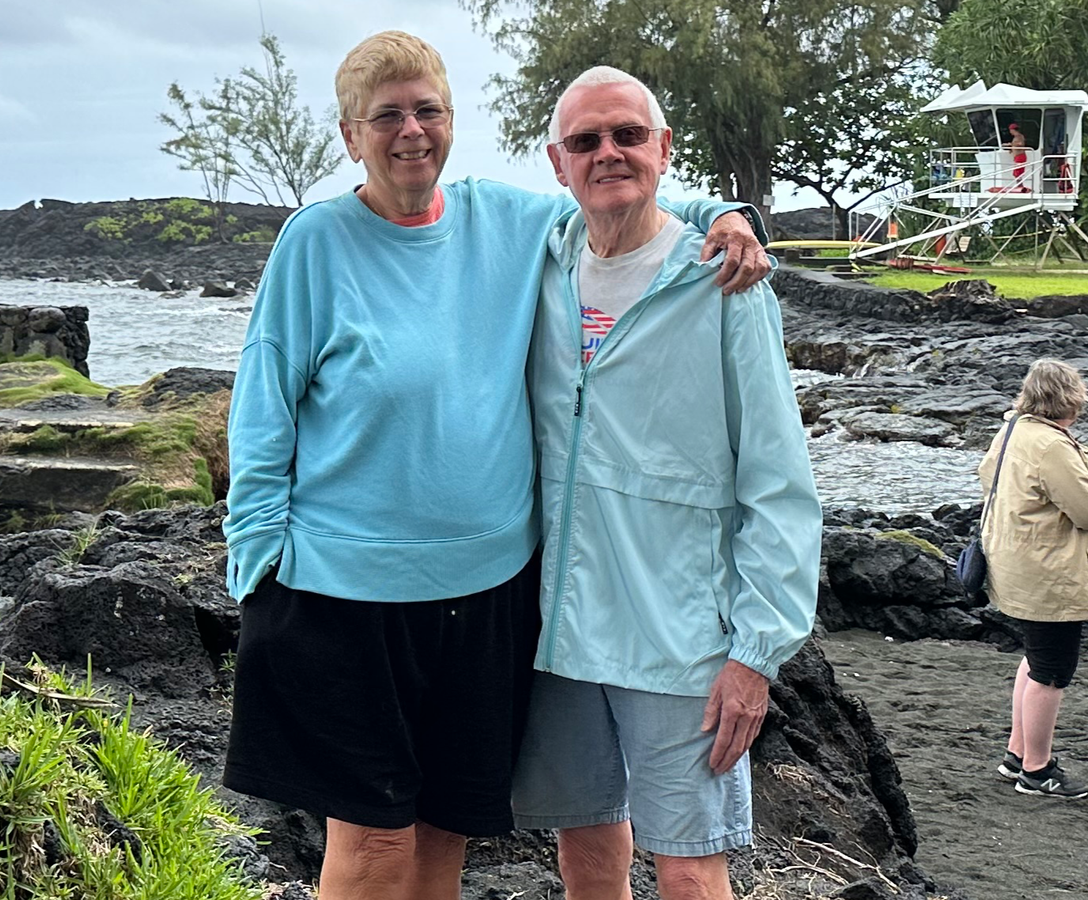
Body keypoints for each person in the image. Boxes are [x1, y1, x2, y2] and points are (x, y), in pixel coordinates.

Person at [220, 31, 770, 900]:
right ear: (351, 135)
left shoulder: (509, 222)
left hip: (486, 601)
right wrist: (257, 566)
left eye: (427, 111)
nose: (411, 131)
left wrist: (728, 216)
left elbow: (621, 188)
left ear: (450, 120)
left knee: (445, 835)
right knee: (372, 845)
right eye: (387, 116)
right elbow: (263, 408)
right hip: (341, 600)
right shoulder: (314, 243)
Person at [513, 67, 822, 900]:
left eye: (628, 135)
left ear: (664, 147)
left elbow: (779, 483)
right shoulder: (540, 260)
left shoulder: (723, 280)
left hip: (679, 635)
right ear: (557, 162)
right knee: (584, 849)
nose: (608, 153)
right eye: (586, 141)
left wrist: (756, 654)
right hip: (556, 628)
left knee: (689, 870)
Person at [979, 359, 1088, 800]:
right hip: (1050, 572)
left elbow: (988, 478)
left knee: (1036, 658)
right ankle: (1037, 771)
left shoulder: (1013, 430)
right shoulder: (1051, 445)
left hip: (1018, 563)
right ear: (1072, 400)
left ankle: (1017, 754)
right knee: (1052, 671)